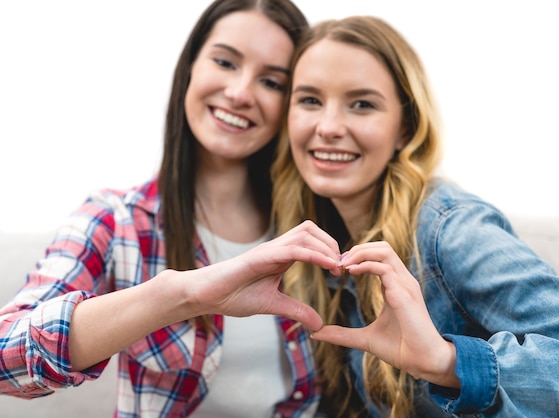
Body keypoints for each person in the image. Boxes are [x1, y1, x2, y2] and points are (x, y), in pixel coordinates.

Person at [271, 15, 559, 417]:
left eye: (362, 104)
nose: (329, 126)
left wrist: (446, 361)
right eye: (310, 100)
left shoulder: (452, 230)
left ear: (404, 128)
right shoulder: (313, 239)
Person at [0, 1, 343, 417]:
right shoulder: (117, 219)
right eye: (225, 62)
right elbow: (5, 358)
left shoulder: (315, 225)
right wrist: (177, 296)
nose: (240, 93)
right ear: (191, 68)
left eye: (272, 82)